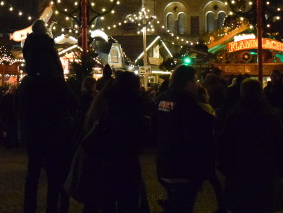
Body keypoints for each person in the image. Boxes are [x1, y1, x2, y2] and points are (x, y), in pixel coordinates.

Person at [18, 23, 78, 213]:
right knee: (54, 175)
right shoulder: (55, 81)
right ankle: (52, 208)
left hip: (34, 132)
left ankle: (30, 208)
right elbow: (72, 103)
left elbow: (18, 107)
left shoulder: (28, 83)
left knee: (33, 173)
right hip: (54, 133)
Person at [218, 79, 283, 213]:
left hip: (239, 171)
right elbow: (282, 144)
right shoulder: (270, 116)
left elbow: (225, 145)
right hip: (266, 171)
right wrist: (281, 168)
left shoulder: (235, 116)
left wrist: (226, 167)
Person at [81, 71, 149, 213]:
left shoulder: (103, 102)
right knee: (128, 202)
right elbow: (140, 136)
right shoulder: (132, 107)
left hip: (103, 164)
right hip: (126, 163)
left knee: (106, 202)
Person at [154, 65, 217, 213]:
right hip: (183, 169)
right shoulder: (187, 104)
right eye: (195, 80)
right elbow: (206, 126)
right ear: (187, 82)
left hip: (165, 164)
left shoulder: (162, 100)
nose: (198, 85)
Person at [0, 84, 19, 148]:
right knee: (9, 131)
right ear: (9, 90)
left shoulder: (15, 98)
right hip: (8, 117)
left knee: (13, 131)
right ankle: (9, 144)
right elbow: (2, 108)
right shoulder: (6, 98)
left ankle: (13, 144)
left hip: (13, 117)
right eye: (13, 89)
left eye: (15, 89)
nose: (14, 91)